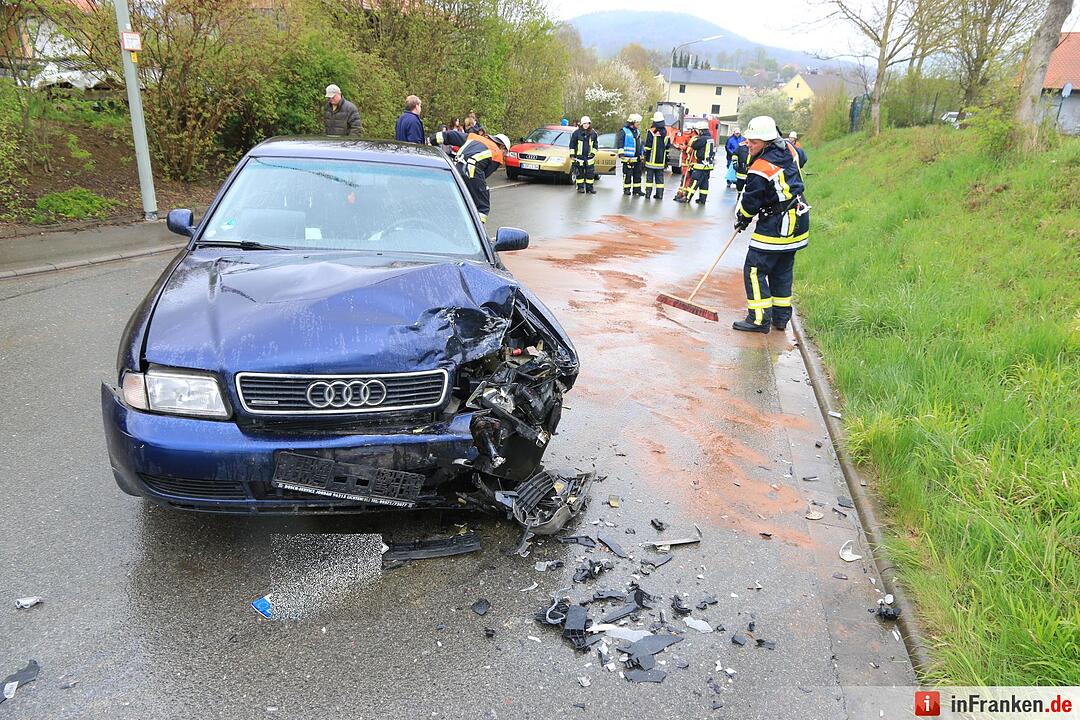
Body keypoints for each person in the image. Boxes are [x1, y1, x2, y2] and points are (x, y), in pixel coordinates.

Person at [732, 115, 810, 334]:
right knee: (782, 270)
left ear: (766, 142)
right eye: (748, 140)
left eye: (754, 142)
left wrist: (743, 219)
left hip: (777, 224)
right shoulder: (790, 149)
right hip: (798, 219)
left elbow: (750, 201)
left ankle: (758, 319)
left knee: (754, 269)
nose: (749, 144)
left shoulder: (760, 167)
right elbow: (802, 158)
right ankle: (780, 317)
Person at [430, 127, 511, 223]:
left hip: (455, 170)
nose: (504, 155)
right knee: (483, 206)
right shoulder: (497, 155)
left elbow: (453, 135)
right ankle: (477, 228)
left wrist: (434, 139)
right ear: (502, 147)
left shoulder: (475, 138)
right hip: (472, 173)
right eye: (505, 152)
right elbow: (483, 175)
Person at [677, 127, 715, 204]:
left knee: (694, 182)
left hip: (700, 165)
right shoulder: (710, 139)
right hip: (708, 165)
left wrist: (695, 139)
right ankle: (702, 199)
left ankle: (687, 198)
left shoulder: (702, 139)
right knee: (704, 184)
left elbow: (694, 145)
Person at [641, 111, 670, 200]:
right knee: (660, 179)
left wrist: (645, 155)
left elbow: (648, 146)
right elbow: (667, 147)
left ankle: (648, 194)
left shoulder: (651, 132)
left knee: (649, 179)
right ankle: (659, 195)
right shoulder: (666, 132)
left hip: (651, 161)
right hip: (661, 161)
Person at [568, 116, 599, 194]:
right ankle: (580, 188)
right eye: (584, 123)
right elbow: (572, 145)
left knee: (590, 175)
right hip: (579, 158)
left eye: (587, 123)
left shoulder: (593, 133)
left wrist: (593, 153)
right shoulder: (576, 133)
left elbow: (595, 145)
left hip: (589, 158)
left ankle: (590, 189)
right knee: (580, 174)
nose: (586, 125)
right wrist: (572, 155)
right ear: (581, 124)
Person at [615, 113, 643, 196]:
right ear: (632, 123)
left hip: (637, 157)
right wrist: (621, 154)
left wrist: (641, 153)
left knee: (637, 174)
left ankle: (637, 190)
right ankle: (626, 189)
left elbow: (639, 144)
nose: (638, 124)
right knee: (628, 174)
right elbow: (620, 143)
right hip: (628, 157)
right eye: (637, 122)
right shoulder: (623, 131)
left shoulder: (637, 131)